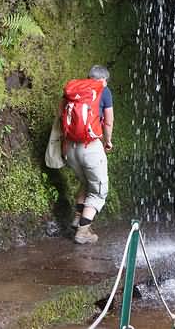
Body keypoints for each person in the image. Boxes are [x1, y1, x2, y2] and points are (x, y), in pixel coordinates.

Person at [61, 65, 114, 244]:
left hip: (70, 148)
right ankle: (83, 232)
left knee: (86, 182)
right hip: (90, 147)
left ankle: (78, 219)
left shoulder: (73, 90)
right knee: (99, 192)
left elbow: (60, 117)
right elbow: (108, 122)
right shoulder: (104, 91)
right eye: (106, 81)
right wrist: (107, 141)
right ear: (102, 80)